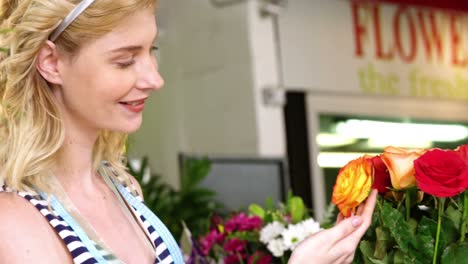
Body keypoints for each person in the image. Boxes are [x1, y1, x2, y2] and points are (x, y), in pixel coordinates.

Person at [0, 0, 377, 263]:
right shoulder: (13, 221)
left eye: (152, 50)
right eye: (125, 60)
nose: (155, 78)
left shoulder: (121, 189)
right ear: (52, 63)